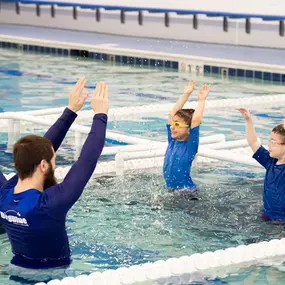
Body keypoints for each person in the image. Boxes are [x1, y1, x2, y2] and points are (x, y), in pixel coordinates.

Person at [0, 79, 109, 273]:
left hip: (15, 270)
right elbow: (87, 160)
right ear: (43, 165)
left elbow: (44, 147)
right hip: (54, 276)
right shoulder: (48, 205)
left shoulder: (5, 194)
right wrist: (100, 115)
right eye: (54, 159)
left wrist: (71, 111)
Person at [163, 80, 210, 197]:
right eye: (173, 124)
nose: (172, 127)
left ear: (189, 129)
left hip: (187, 193)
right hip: (171, 190)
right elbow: (172, 114)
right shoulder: (173, 140)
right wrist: (186, 95)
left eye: (177, 125)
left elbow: (195, 120)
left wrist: (201, 101)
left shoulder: (190, 146)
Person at [237, 108, 285, 221]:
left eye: (273, 142)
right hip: (266, 217)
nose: (269, 145)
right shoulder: (270, 162)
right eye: (269, 141)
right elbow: (253, 142)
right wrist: (249, 121)